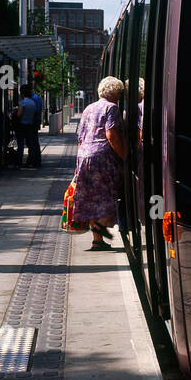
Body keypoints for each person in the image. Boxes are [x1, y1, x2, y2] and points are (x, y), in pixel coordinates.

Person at [67, 76, 126, 250]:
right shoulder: (111, 108)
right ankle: (101, 230)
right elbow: (111, 135)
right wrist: (124, 156)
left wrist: (79, 163)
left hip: (84, 157)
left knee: (91, 199)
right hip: (102, 159)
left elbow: (80, 138)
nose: (119, 97)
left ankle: (97, 240)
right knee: (107, 197)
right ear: (114, 93)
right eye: (119, 93)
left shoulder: (88, 108)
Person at [17, 83, 41, 168]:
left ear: (22, 93)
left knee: (21, 145)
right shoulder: (33, 102)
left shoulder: (23, 103)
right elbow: (35, 113)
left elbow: (19, 114)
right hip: (30, 125)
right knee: (31, 143)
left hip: (23, 125)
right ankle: (33, 161)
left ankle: (19, 162)